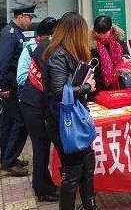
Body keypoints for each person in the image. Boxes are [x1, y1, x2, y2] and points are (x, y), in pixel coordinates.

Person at [44, 13, 97, 210]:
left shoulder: (70, 53)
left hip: (76, 118)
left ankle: (90, 205)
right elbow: (59, 91)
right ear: (75, 32)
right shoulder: (58, 54)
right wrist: (87, 87)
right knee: (73, 172)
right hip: (64, 122)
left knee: (87, 166)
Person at [17, 16, 59, 202]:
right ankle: (42, 190)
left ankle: (44, 184)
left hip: (36, 103)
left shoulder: (46, 47)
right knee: (41, 146)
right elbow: (50, 81)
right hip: (33, 105)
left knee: (42, 146)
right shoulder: (42, 49)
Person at [0, 3, 36, 177]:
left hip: (11, 85)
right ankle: (10, 161)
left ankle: (7, 158)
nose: (30, 21)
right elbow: (0, 63)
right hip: (10, 86)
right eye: (29, 17)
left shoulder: (16, 32)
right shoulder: (10, 34)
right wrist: (4, 86)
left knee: (9, 123)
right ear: (21, 16)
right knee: (21, 121)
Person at [89, 15, 129, 92]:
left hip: (119, 83)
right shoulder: (90, 45)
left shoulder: (119, 40)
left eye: (104, 33)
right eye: (98, 33)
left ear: (110, 29)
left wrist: (125, 59)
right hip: (98, 87)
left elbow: (126, 55)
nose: (101, 36)